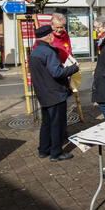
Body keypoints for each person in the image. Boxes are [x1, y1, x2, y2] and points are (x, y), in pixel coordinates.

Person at [29, 25, 80, 162]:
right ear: (48, 36)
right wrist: (73, 68)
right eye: (52, 34)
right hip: (55, 93)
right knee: (57, 124)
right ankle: (56, 153)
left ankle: (43, 149)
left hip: (43, 93)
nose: (53, 36)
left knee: (46, 122)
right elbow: (56, 73)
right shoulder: (49, 52)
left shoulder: (35, 52)